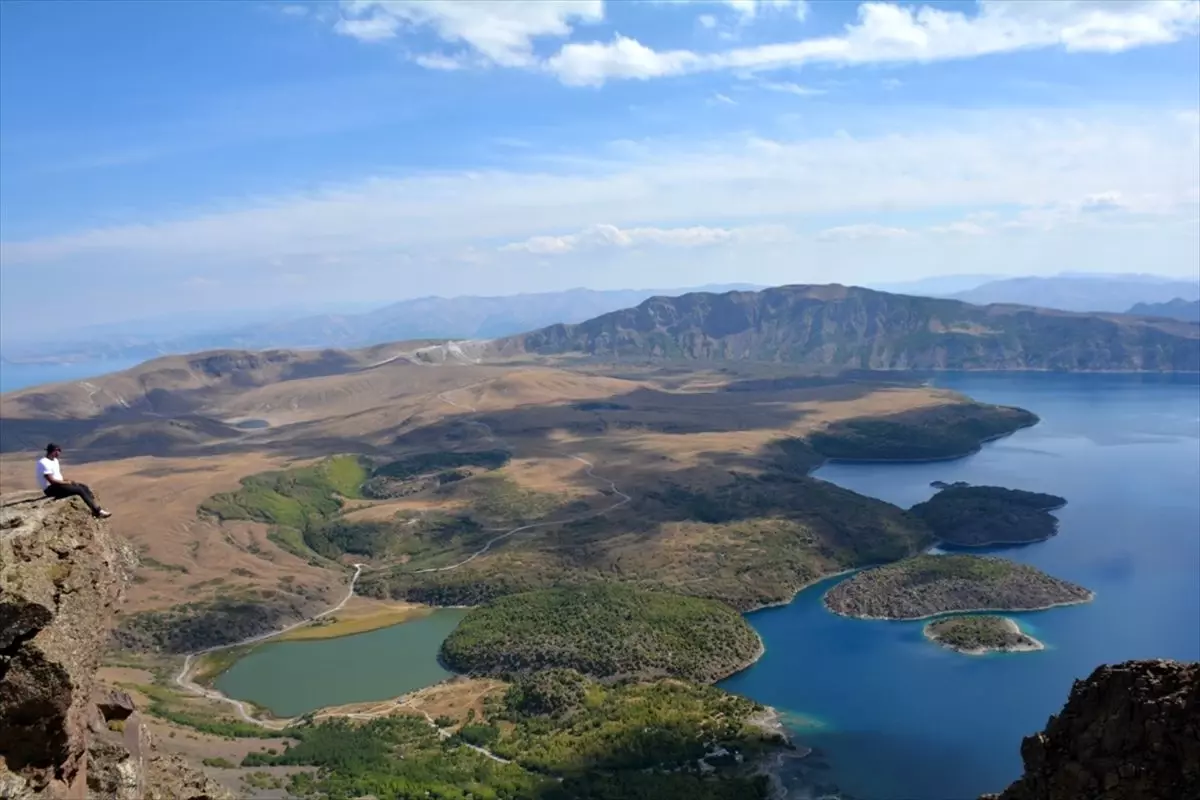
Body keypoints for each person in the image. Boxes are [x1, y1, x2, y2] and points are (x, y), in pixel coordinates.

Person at [38, 443, 112, 518]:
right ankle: (97, 511)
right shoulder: (44, 462)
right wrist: (66, 483)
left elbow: (57, 476)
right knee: (79, 490)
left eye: (59, 451)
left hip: (58, 485)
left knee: (83, 487)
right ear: (51, 451)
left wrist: (68, 481)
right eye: (57, 451)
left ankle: (94, 506)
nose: (59, 453)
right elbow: (52, 481)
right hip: (50, 489)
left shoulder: (55, 461)